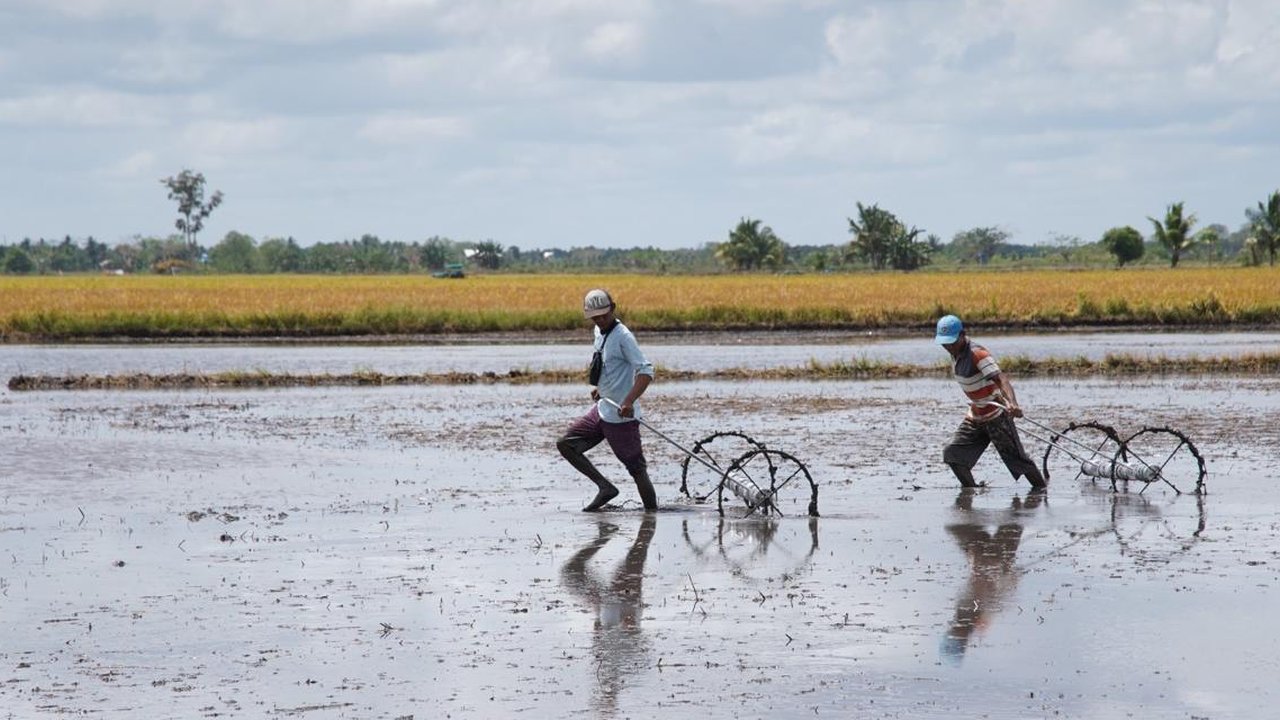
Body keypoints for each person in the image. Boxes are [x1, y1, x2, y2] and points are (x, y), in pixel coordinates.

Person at [557, 289, 658, 512]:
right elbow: (607, 366)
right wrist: (599, 388)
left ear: (613, 308)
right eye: (595, 317)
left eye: (603, 315)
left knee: (637, 470)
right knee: (566, 445)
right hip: (603, 409)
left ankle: (651, 518)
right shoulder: (598, 332)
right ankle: (605, 487)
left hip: (621, 418)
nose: (600, 320)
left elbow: (646, 371)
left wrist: (629, 401)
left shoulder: (623, 337)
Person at [935, 314, 1046, 489]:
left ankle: (1041, 491)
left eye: (952, 342)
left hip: (996, 415)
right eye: (945, 343)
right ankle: (970, 492)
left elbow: (1001, 379)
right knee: (952, 453)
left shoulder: (977, 354)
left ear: (962, 335)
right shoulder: (955, 353)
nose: (948, 347)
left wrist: (1013, 403)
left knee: (1019, 461)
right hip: (976, 415)